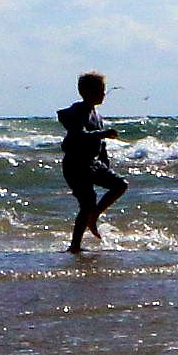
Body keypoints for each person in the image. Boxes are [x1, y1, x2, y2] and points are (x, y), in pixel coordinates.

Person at [57, 71, 126, 254]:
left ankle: (94, 216)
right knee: (87, 203)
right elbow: (78, 135)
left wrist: (105, 163)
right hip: (75, 164)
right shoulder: (76, 112)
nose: (103, 94)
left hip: (93, 163)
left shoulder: (97, 115)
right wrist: (103, 134)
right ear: (85, 92)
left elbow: (101, 146)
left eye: (103, 90)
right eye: (99, 90)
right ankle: (75, 246)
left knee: (120, 185)